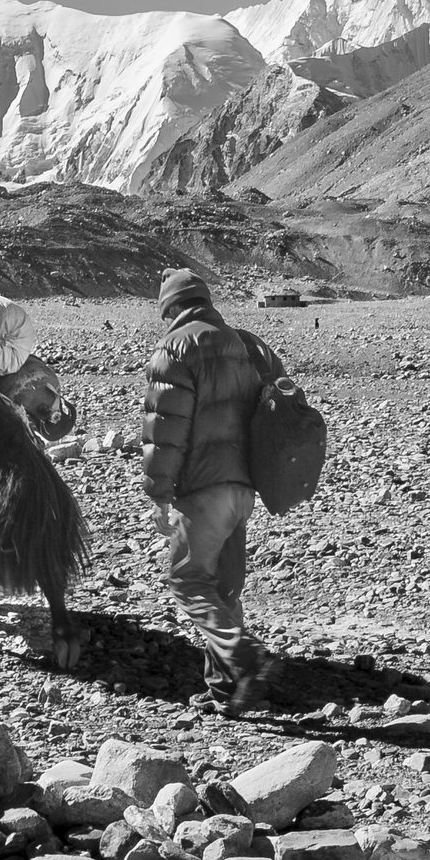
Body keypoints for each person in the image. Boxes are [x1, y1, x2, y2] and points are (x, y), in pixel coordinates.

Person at [140, 268, 284, 716]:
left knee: (186, 580)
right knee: (224, 588)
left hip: (204, 487)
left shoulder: (176, 347)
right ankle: (225, 689)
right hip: (243, 488)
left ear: (171, 309)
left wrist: (159, 493)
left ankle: (246, 657)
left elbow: (166, 431)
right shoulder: (246, 343)